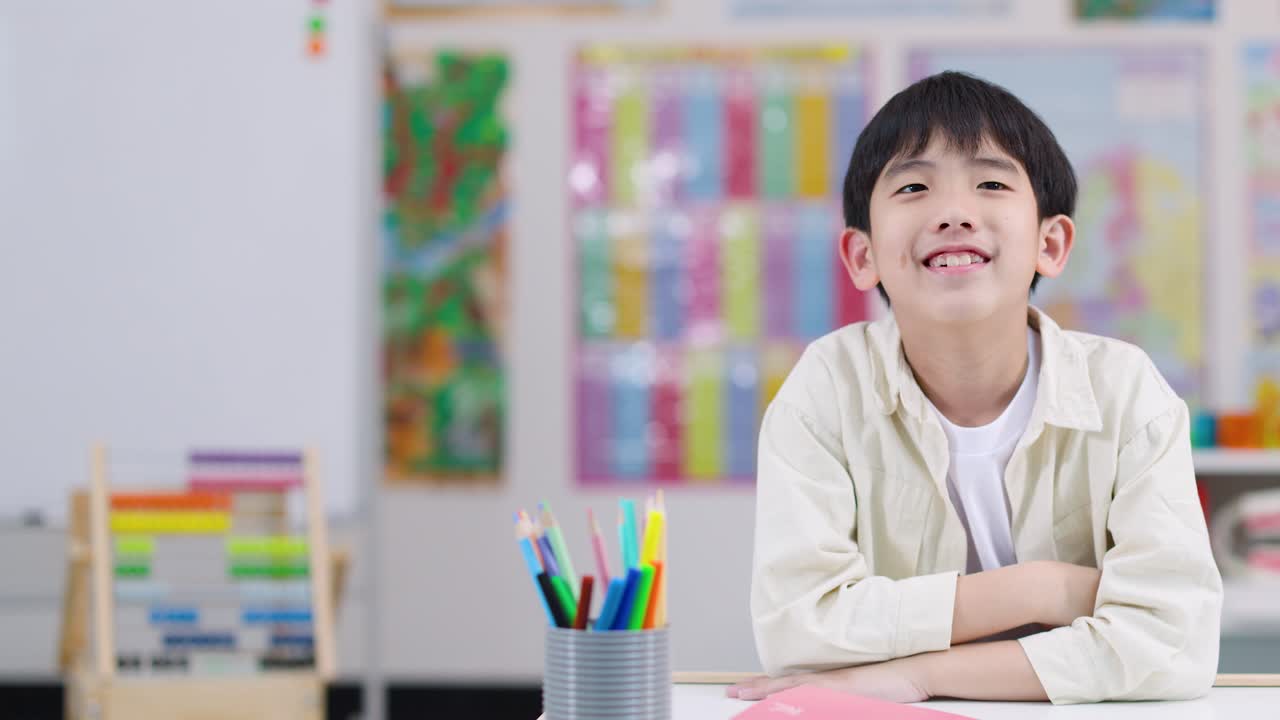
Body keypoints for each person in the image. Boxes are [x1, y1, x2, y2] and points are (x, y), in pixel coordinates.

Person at [730, 71, 1222, 705]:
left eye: (991, 183)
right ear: (862, 256)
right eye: (913, 186)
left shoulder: (1127, 393)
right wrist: (1043, 589)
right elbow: (797, 631)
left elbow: (1175, 647)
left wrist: (916, 674)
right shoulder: (824, 391)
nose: (954, 213)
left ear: (1052, 241)